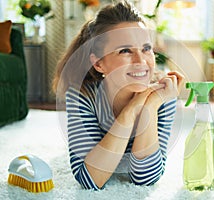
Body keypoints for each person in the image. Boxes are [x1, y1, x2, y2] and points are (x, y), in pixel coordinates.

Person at [53, 0, 184, 190]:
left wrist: (149, 105)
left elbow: (146, 178)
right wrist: (131, 111)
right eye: (125, 51)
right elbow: (89, 179)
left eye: (146, 48)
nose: (141, 61)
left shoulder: (162, 95)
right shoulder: (82, 94)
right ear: (98, 63)